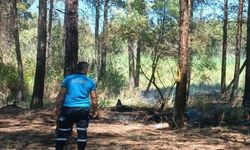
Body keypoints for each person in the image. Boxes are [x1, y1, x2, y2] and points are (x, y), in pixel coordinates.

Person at [54, 61, 98, 150]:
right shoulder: (90, 81)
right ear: (85, 69)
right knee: (82, 132)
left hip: (68, 109)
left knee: (62, 131)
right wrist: (95, 109)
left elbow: (61, 94)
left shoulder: (68, 79)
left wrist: (56, 106)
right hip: (83, 109)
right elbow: (93, 97)